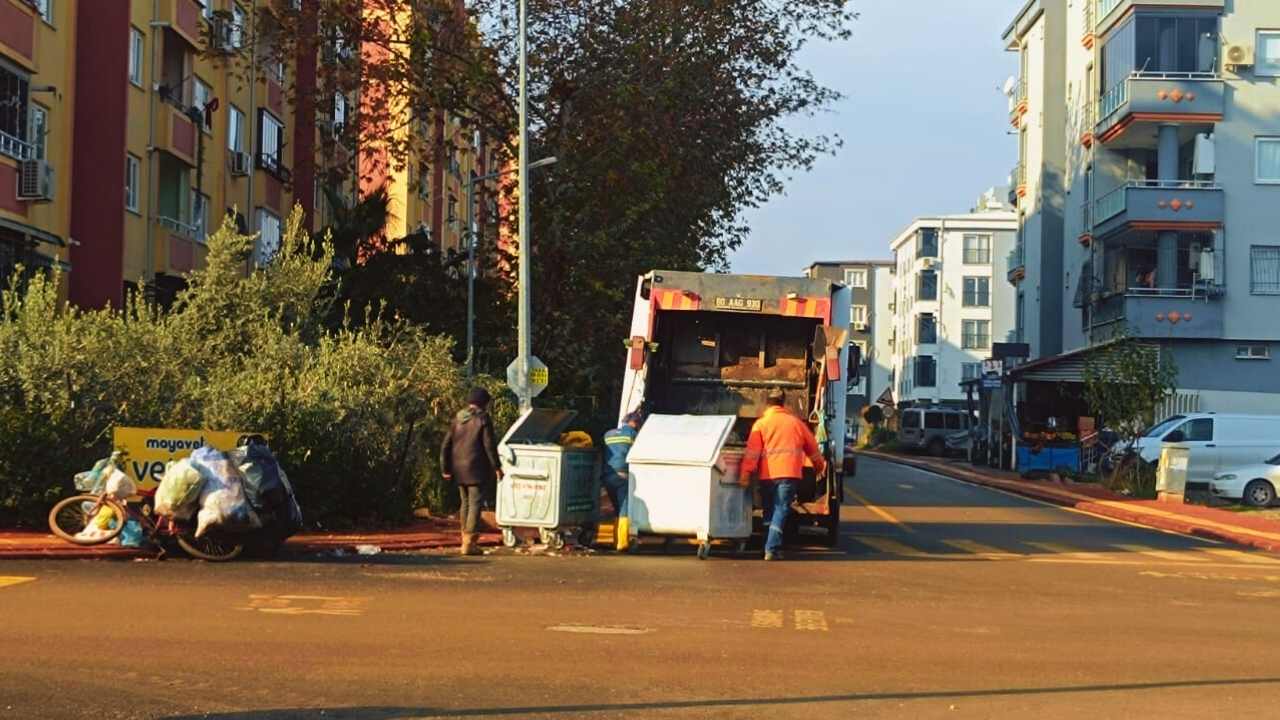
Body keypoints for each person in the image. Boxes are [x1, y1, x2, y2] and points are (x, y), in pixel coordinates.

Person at [740, 389, 827, 561]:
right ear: (783, 403)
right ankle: (770, 548)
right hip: (788, 474)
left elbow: (752, 453)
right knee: (781, 510)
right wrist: (819, 467)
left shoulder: (761, 424)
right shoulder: (796, 423)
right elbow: (813, 449)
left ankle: (767, 547)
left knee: (769, 512)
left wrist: (745, 474)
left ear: (768, 403)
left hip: (766, 476)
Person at [441, 387, 502, 556]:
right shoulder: (483, 418)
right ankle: (470, 543)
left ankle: (464, 539)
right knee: (475, 503)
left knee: (465, 503)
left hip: (458, 468)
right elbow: (489, 445)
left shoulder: (458, 419)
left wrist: (445, 468)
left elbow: (446, 445)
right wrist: (497, 467)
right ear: (483, 403)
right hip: (476, 468)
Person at [601, 412, 643, 552]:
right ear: (634, 423)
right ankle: (622, 543)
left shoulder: (608, 434)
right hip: (623, 476)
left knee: (617, 509)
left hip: (607, 476)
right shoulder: (632, 434)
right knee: (624, 509)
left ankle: (615, 541)